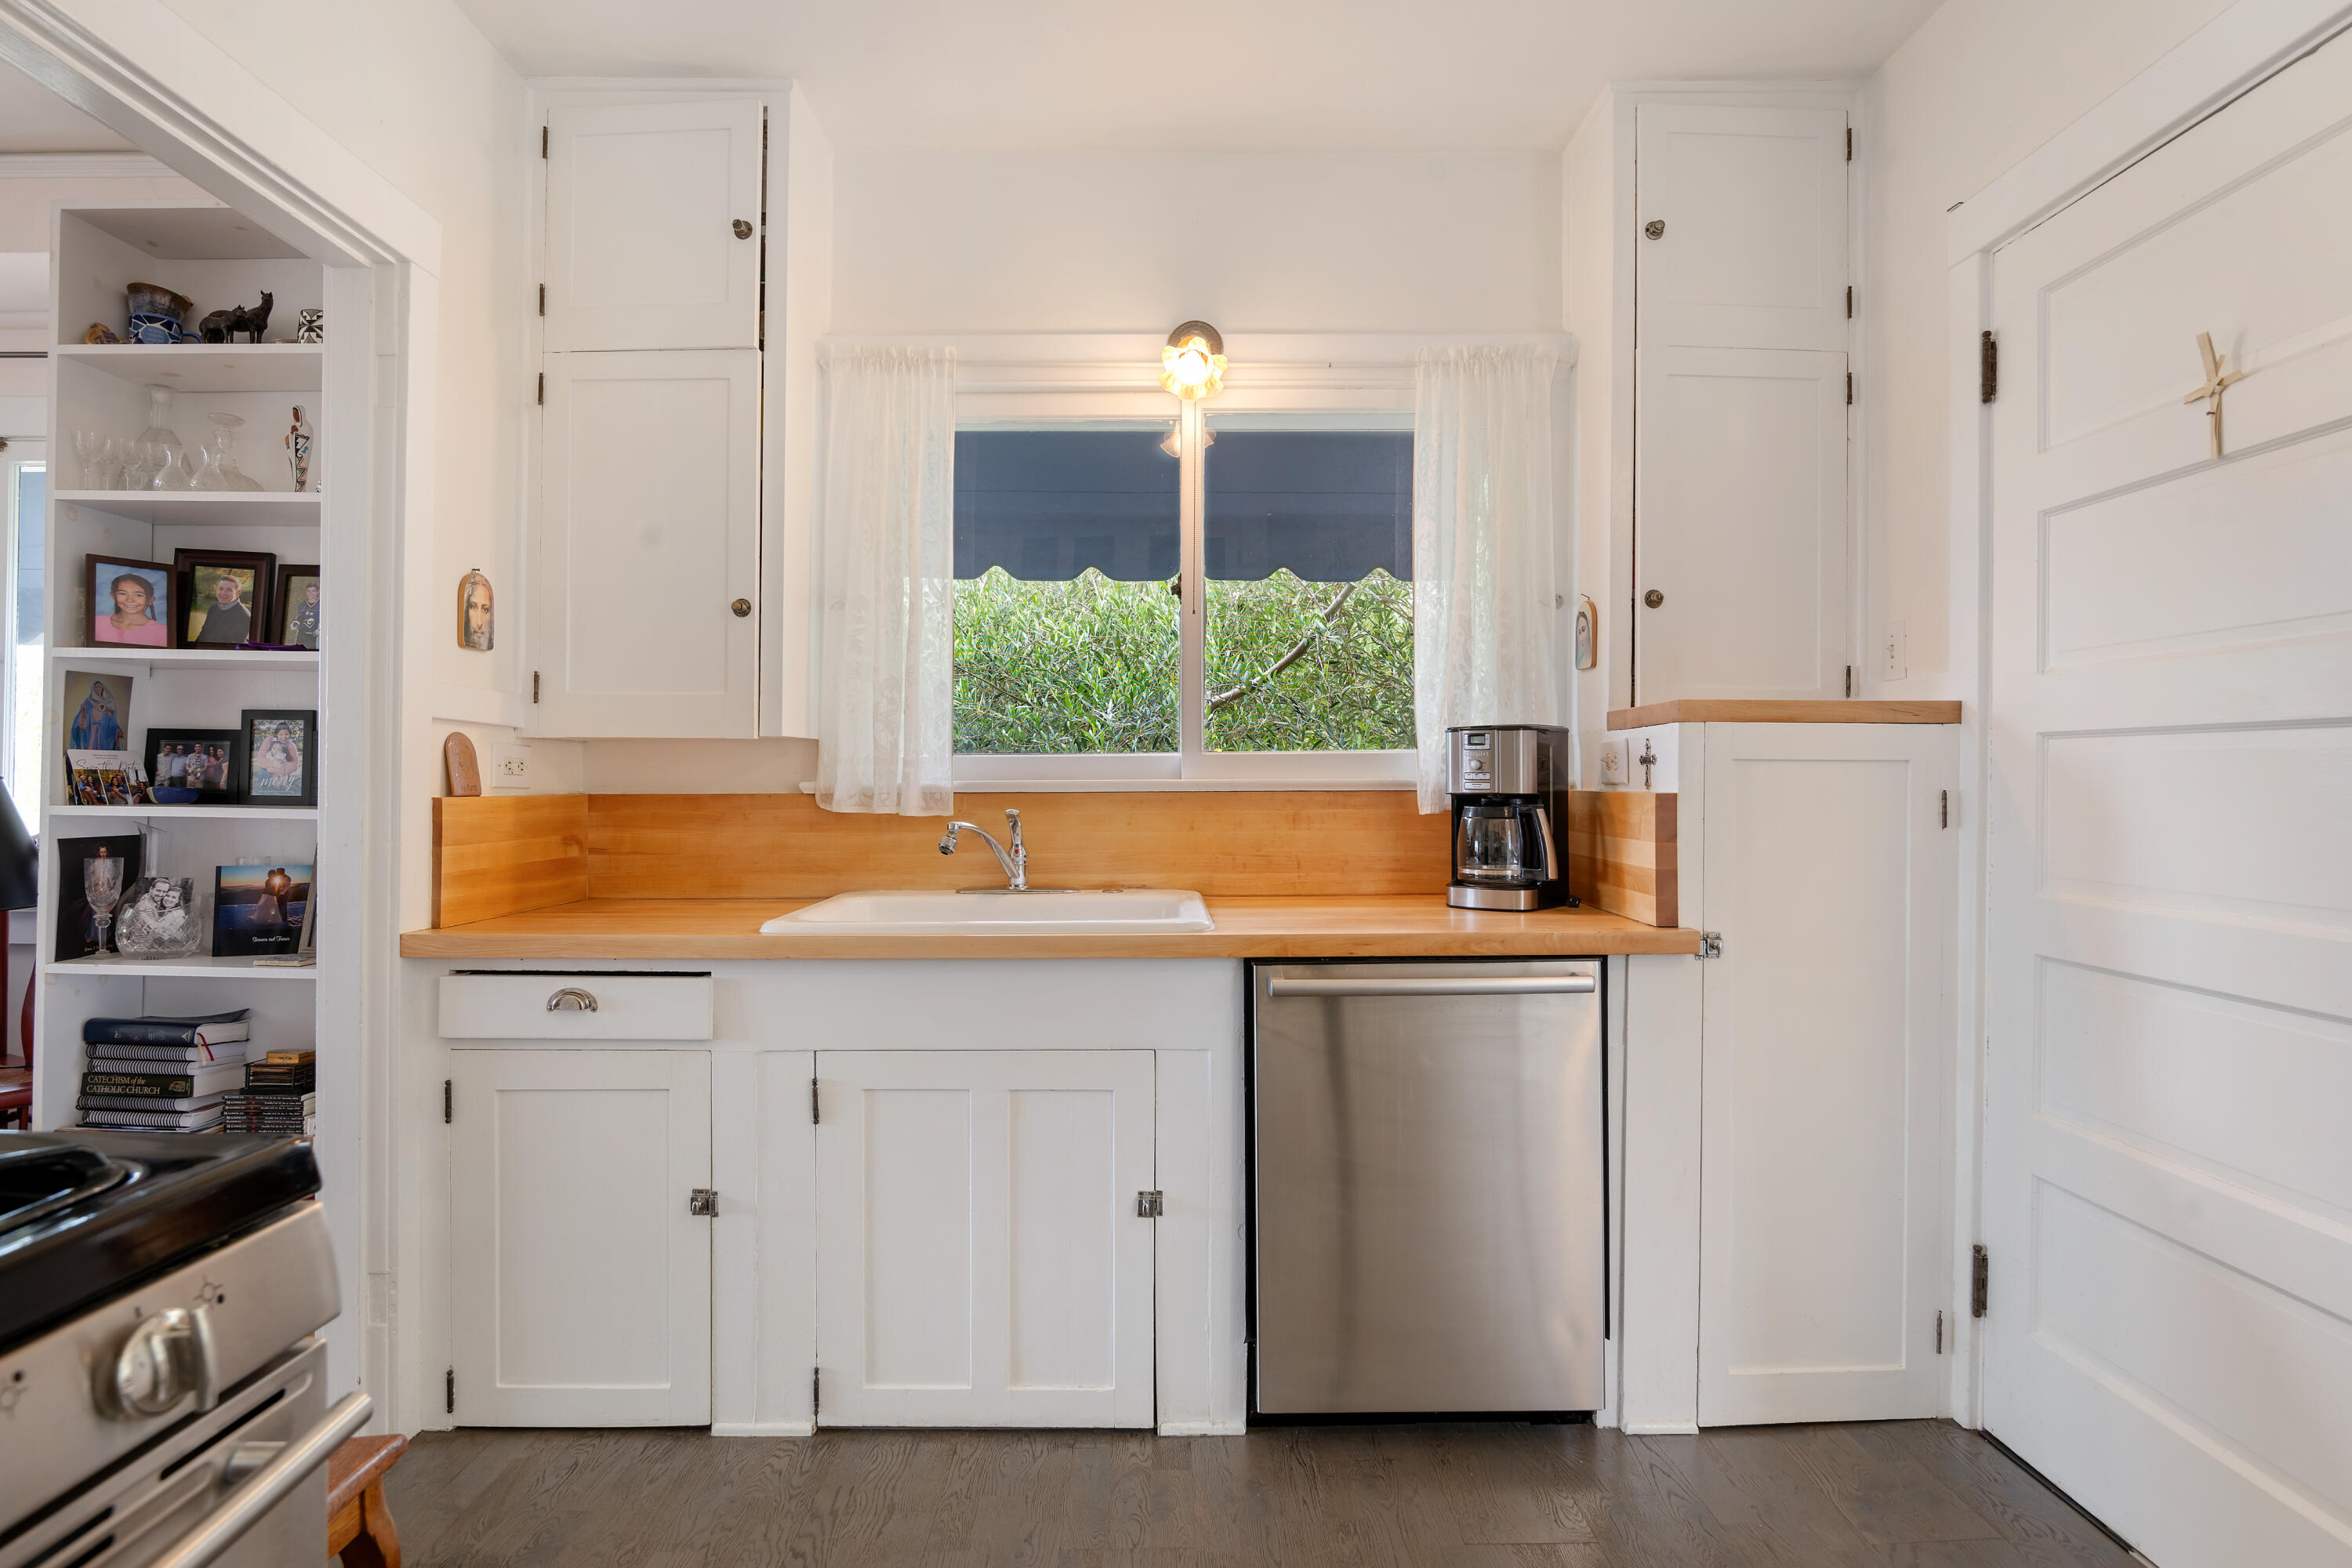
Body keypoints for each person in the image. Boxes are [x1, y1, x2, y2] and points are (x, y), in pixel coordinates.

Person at [98, 572, 168, 647]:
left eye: (138, 595)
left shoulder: (162, 632)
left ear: (150, 600)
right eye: (122, 593)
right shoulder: (98, 623)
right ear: (113, 596)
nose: (130, 600)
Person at [193, 571, 252, 644]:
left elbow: (237, 648)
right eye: (221, 589)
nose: (223, 593)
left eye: (229, 590)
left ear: (238, 593)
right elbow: (203, 634)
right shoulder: (213, 608)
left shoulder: (244, 616)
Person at [70, 680, 124, 749]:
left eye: (100, 687)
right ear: (93, 689)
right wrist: (83, 713)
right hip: (91, 731)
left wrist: (117, 730)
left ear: (102, 688)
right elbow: (81, 716)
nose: (98, 689)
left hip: (103, 732)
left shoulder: (108, 703)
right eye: (96, 687)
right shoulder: (89, 701)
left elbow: (112, 721)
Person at [287, 579, 321, 649]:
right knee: (299, 652)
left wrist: (320, 630)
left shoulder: (322, 605)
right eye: (308, 591)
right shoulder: (301, 605)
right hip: (302, 634)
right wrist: (294, 624)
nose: (310, 593)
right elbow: (299, 618)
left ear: (318, 592)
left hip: (314, 635)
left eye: (313, 591)